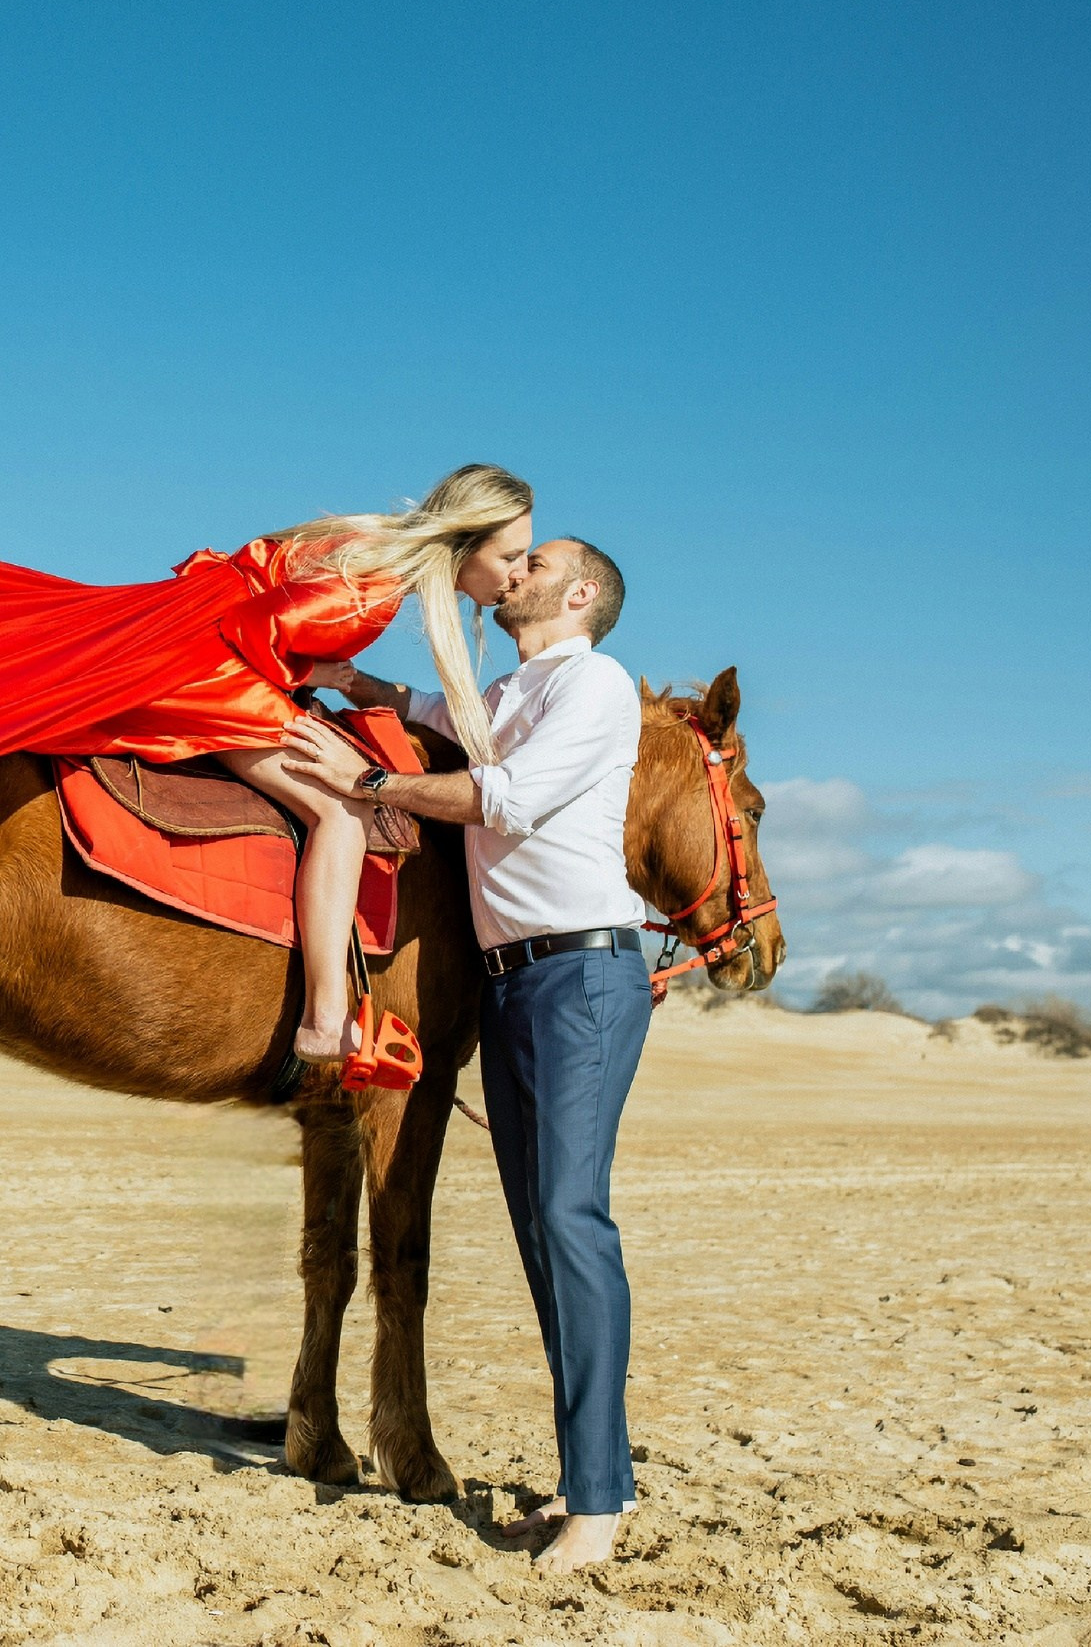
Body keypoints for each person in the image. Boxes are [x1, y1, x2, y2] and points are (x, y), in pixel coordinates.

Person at [279, 535, 650, 1575]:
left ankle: (599, 1504)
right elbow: (429, 712)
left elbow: (508, 799)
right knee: (542, 1229)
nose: (512, 572)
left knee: (572, 1222)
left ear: (577, 595)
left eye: (536, 564)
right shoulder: (501, 692)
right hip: (513, 982)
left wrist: (368, 784)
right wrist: (346, 679)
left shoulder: (598, 684)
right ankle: (590, 1480)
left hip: (582, 975)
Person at [48, 463, 533, 1065]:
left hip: (210, 657)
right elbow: (248, 629)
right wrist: (308, 673)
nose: (518, 574)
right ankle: (325, 1020)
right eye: (512, 555)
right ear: (467, 539)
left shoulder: (365, 550)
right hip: (210, 673)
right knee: (344, 810)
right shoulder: (374, 589)